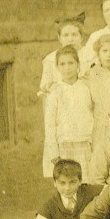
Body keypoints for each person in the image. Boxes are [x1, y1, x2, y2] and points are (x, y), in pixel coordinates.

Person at [42, 46, 94, 179]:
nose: (67, 67)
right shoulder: (55, 92)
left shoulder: (86, 88)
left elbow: (92, 114)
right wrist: (53, 152)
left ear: (78, 64)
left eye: (71, 63)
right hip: (64, 145)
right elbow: (49, 124)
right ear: (57, 67)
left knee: (86, 181)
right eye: (62, 64)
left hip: (85, 144)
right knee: (68, 182)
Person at [39, 13, 90, 95]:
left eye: (74, 35)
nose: (70, 39)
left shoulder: (90, 56)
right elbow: (44, 85)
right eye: (65, 35)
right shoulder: (51, 59)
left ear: (81, 37)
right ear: (59, 38)